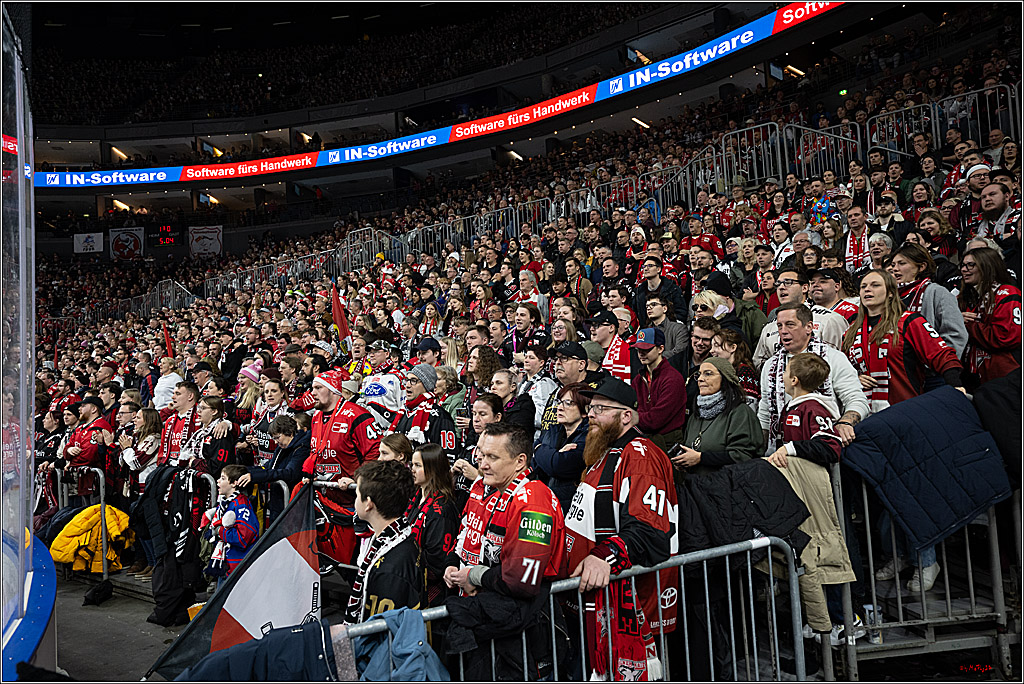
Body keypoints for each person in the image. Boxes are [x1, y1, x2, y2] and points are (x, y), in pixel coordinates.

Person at [564, 377, 677, 682]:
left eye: (600, 409)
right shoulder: (606, 451)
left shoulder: (640, 455)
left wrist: (605, 556)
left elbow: (649, 531)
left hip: (626, 602)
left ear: (626, 416)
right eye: (590, 408)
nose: (590, 414)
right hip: (591, 599)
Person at [444, 422, 566, 654]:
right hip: (499, 620)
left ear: (519, 461)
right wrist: (455, 565)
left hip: (526, 633)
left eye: (493, 457)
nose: (483, 464)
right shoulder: (497, 489)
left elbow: (520, 579)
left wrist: (474, 575)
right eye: (481, 455)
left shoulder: (533, 500)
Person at [842, 269, 964, 414]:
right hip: (863, 414)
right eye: (863, 286)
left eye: (875, 285)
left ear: (890, 293)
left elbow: (941, 354)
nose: (867, 289)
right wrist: (855, 378)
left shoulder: (909, 321)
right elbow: (842, 369)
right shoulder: (850, 330)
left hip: (905, 410)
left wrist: (955, 385)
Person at [759, 303, 869, 453]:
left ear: (809, 327)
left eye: (790, 325)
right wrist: (761, 449)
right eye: (779, 326)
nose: (783, 331)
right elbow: (765, 413)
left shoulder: (834, 358)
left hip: (822, 450)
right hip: (780, 452)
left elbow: (857, 400)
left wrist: (845, 423)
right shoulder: (770, 365)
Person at [303, 369, 382, 566]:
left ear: (332, 390)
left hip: (352, 502)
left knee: (350, 564)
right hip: (326, 499)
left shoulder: (357, 415)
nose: (312, 393)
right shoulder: (316, 417)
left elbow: (375, 453)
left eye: (318, 388)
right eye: (312, 388)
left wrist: (357, 479)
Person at [344, 459, 421, 624]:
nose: (355, 499)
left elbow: (379, 630)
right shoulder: (399, 535)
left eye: (357, 495)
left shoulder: (389, 570)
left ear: (368, 504)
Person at [672, 357, 763, 477]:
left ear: (725, 379)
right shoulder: (696, 415)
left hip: (728, 485)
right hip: (696, 485)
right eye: (699, 375)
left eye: (708, 374)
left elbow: (742, 456)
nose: (700, 379)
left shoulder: (740, 412)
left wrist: (701, 458)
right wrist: (684, 461)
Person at [956, 247, 1022, 389]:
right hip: (974, 376)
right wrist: (957, 319)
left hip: (1002, 378)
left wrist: (967, 325)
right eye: (963, 265)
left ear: (987, 266)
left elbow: (1004, 337)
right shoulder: (967, 296)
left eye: (971, 265)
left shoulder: (1008, 293)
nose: (964, 270)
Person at [765, 352, 843, 470]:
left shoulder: (813, 409)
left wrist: (790, 448)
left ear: (794, 380)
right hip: (791, 472)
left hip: (809, 475)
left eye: (785, 371)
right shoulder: (790, 407)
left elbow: (830, 448)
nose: (782, 375)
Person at [889, 243, 969, 358]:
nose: (895, 269)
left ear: (921, 267)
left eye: (902, 263)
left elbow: (955, 334)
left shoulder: (937, 292)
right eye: (893, 265)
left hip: (929, 366)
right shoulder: (890, 295)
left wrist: (941, 362)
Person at [406, 444, 459, 609]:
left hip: (431, 594)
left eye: (418, 465)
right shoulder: (417, 495)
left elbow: (437, 563)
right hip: (413, 583)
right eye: (412, 464)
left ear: (433, 469)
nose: (412, 470)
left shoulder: (442, 509)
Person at [238, 414, 310, 524]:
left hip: (292, 504)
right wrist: (244, 471)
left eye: (277, 437)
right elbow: (269, 467)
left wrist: (255, 476)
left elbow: (289, 473)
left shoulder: (301, 449)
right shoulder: (283, 447)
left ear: (290, 433)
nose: (276, 442)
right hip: (277, 501)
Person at [532, 382, 589, 514]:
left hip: (570, 509)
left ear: (584, 411)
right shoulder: (553, 430)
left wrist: (540, 450)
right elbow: (534, 465)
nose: (560, 408)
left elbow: (559, 465)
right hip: (544, 503)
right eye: (559, 402)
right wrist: (554, 455)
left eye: (568, 403)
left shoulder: (588, 436)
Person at [632, 327, 687, 452]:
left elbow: (655, 420)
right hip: (644, 438)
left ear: (660, 349)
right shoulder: (638, 379)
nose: (641, 353)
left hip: (667, 442)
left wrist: (632, 417)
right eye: (638, 349)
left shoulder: (673, 379)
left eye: (646, 349)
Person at [203, 464, 259, 585]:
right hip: (227, 565)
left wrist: (219, 531)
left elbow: (242, 538)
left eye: (223, 478)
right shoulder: (225, 503)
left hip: (237, 569)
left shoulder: (241, 505)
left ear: (234, 483)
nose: (218, 481)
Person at [395, 364, 459, 463]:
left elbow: (448, 456)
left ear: (426, 385)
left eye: (413, 381)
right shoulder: (403, 412)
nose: (407, 385)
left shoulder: (440, 416)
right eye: (407, 380)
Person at [710, 328, 761, 409]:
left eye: (716, 345)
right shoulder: (722, 372)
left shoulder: (745, 372)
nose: (711, 351)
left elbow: (749, 408)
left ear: (733, 347)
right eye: (711, 346)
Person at [518, 346, 558, 438]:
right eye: (526, 357)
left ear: (541, 363)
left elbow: (542, 416)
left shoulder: (545, 383)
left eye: (531, 358)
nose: (526, 360)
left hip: (537, 436)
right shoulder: (523, 383)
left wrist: (521, 417)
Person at [589, 310, 632, 383]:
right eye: (591, 325)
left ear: (611, 328)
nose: (591, 329)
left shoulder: (628, 352)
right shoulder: (587, 351)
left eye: (596, 325)